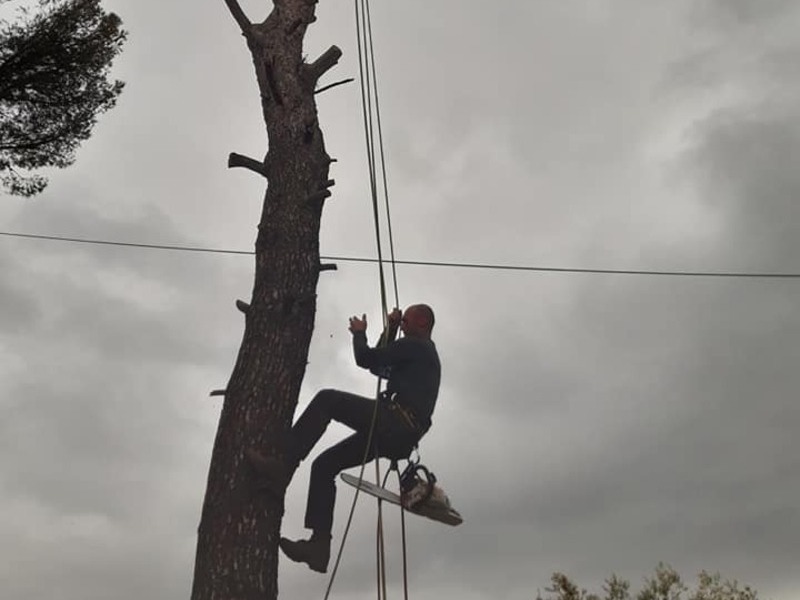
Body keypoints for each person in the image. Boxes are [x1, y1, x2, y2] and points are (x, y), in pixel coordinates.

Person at [245, 304, 441, 573]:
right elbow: (380, 369)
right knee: (324, 466)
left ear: (420, 321)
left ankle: (283, 466)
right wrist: (393, 327)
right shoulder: (420, 355)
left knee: (327, 400)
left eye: (406, 319)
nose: (402, 323)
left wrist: (359, 334)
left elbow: (366, 359)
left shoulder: (417, 346)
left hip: (394, 422)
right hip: (397, 435)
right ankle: (319, 547)